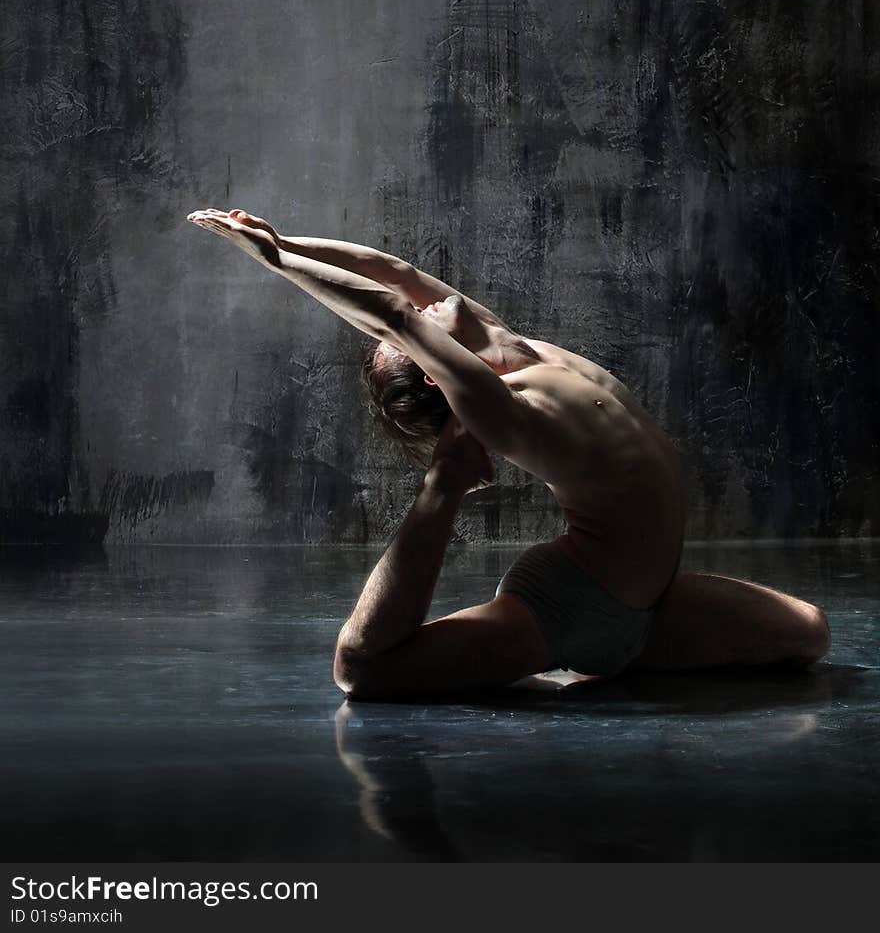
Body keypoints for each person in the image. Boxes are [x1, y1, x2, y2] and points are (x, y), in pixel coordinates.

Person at [187, 206, 831, 700]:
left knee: (810, 634)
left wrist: (293, 241)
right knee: (364, 671)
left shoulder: (509, 344)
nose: (426, 303)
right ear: (441, 372)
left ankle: (609, 655)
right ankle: (580, 647)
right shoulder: (502, 406)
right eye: (424, 327)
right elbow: (390, 314)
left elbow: (394, 278)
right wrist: (274, 261)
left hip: (645, 601)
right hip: (578, 603)